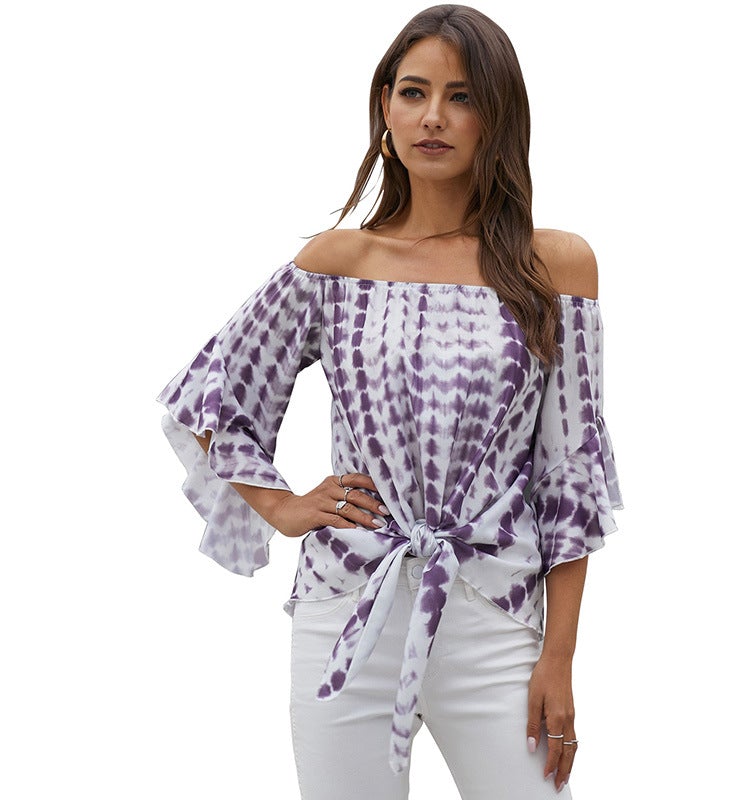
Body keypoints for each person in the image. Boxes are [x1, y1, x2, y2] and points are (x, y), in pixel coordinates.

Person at [155, 4, 623, 799]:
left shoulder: (556, 267)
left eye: (462, 97)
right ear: (385, 109)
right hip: (349, 607)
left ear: (497, 117)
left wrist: (559, 658)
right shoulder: (337, 262)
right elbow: (207, 395)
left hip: (494, 611)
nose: (433, 116)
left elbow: (569, 479)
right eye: (413, 92)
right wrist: (283, 506)